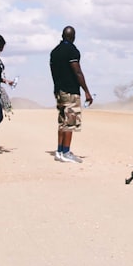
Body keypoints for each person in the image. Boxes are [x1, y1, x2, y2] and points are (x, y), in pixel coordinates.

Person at [49, 26, 94, 163]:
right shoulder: (72, 51)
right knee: (70, 121)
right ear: (73, 37)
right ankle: (66, 152)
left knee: (62, 121)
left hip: (59, 90)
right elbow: (78, 72)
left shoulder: (54, 52)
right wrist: (86, 91)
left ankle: (59, 151)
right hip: (70, 90)